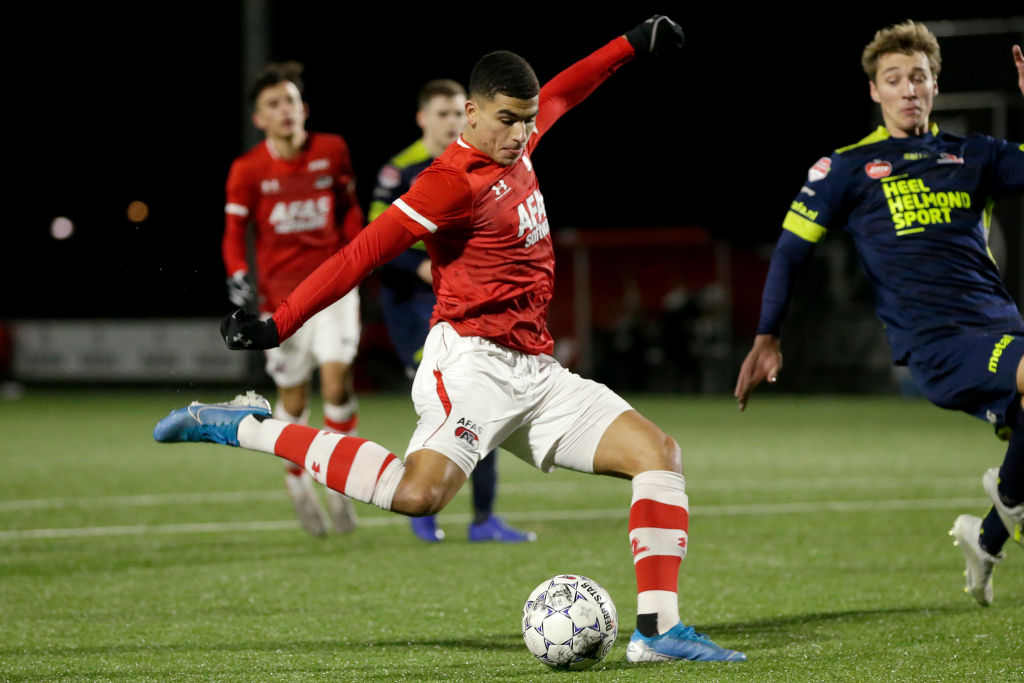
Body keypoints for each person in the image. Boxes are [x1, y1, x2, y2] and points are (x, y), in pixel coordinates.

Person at [158, 16, 746, 663]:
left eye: (525, 120)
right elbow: (362, 253)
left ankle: (657, 631)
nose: (519, 133)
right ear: (470, 111)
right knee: (418, 496)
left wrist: (633, 43)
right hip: (469, 363)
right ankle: (250, 425)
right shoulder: (448, 182)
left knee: (659, 453)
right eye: (505, 119)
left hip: (538, 371)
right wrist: (279, 320)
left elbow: (568, 89)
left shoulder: (519, 139)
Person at [734, 21, 1024, 607]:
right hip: (937, 343)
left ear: (935, 84)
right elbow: (791, 250)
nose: (908, 89)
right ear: (875, 91)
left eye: (918, 77)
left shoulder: (976, 155)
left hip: (1003, 329)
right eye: (894, 79)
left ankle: (989, 532)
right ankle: (1011, 498)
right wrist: (768, 333)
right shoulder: (844, 169)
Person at [369, 78, 534, 543]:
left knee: (482, 404)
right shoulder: (398, 172)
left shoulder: (476, 166)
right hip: (412, 308)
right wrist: (421, 267)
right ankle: (421, 505)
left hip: (462, 304)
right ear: (422, 118)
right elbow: (376, 240)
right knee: (454, 407)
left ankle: (483, 519)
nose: (449, 123)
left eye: (454, 114)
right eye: (439, 114)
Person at [222, 61, 362, 537]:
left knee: (337, 382)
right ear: (259, 118)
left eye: (291, 101)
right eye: (273, 104)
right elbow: (233, 233)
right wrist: (237, 275)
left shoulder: (332, 150)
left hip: (334, 287)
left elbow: (349, 210)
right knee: (295, 399)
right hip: (282, 300)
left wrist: (355, 252)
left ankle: (339, 484)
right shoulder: (247, 169)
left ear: (304, 107)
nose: (285, 111)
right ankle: (297, 479)